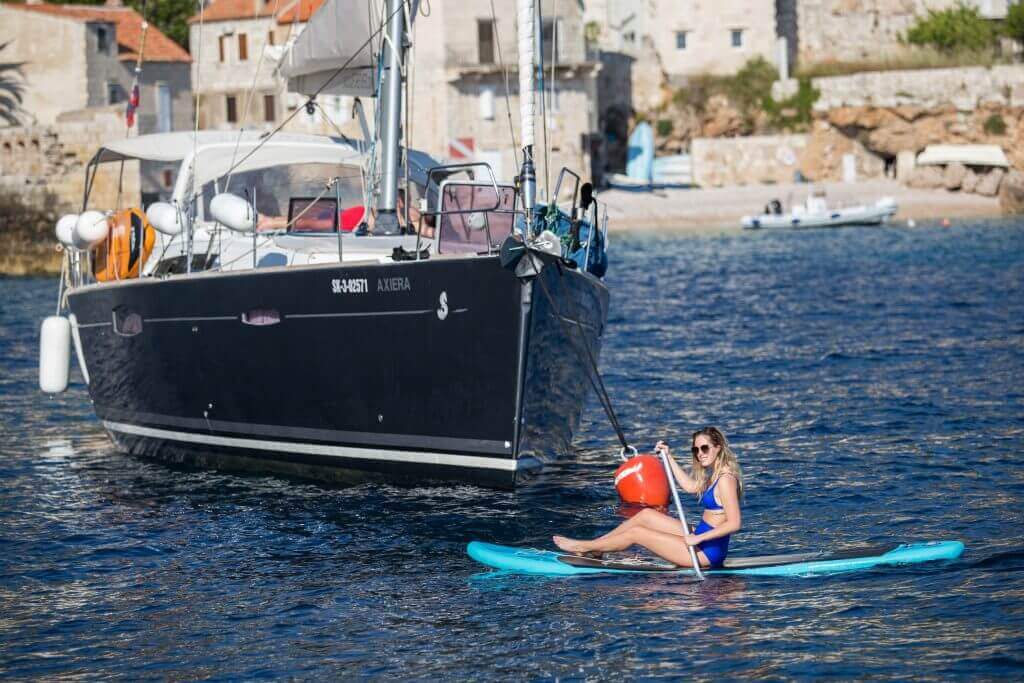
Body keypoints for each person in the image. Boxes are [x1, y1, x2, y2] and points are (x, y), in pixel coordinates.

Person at [552, 427, 744, 568]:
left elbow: (734, 523)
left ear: (718, 447)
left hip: (707, 553)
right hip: (701, 539)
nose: (700, 454)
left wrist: (697, 539)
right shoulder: (715, 474)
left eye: (705, 448)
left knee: (637, 533)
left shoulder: (726, 479)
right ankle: (598, 547)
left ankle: (584, 545)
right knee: (645, 516)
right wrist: (668, 457)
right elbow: (690, 486)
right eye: (696, 450)